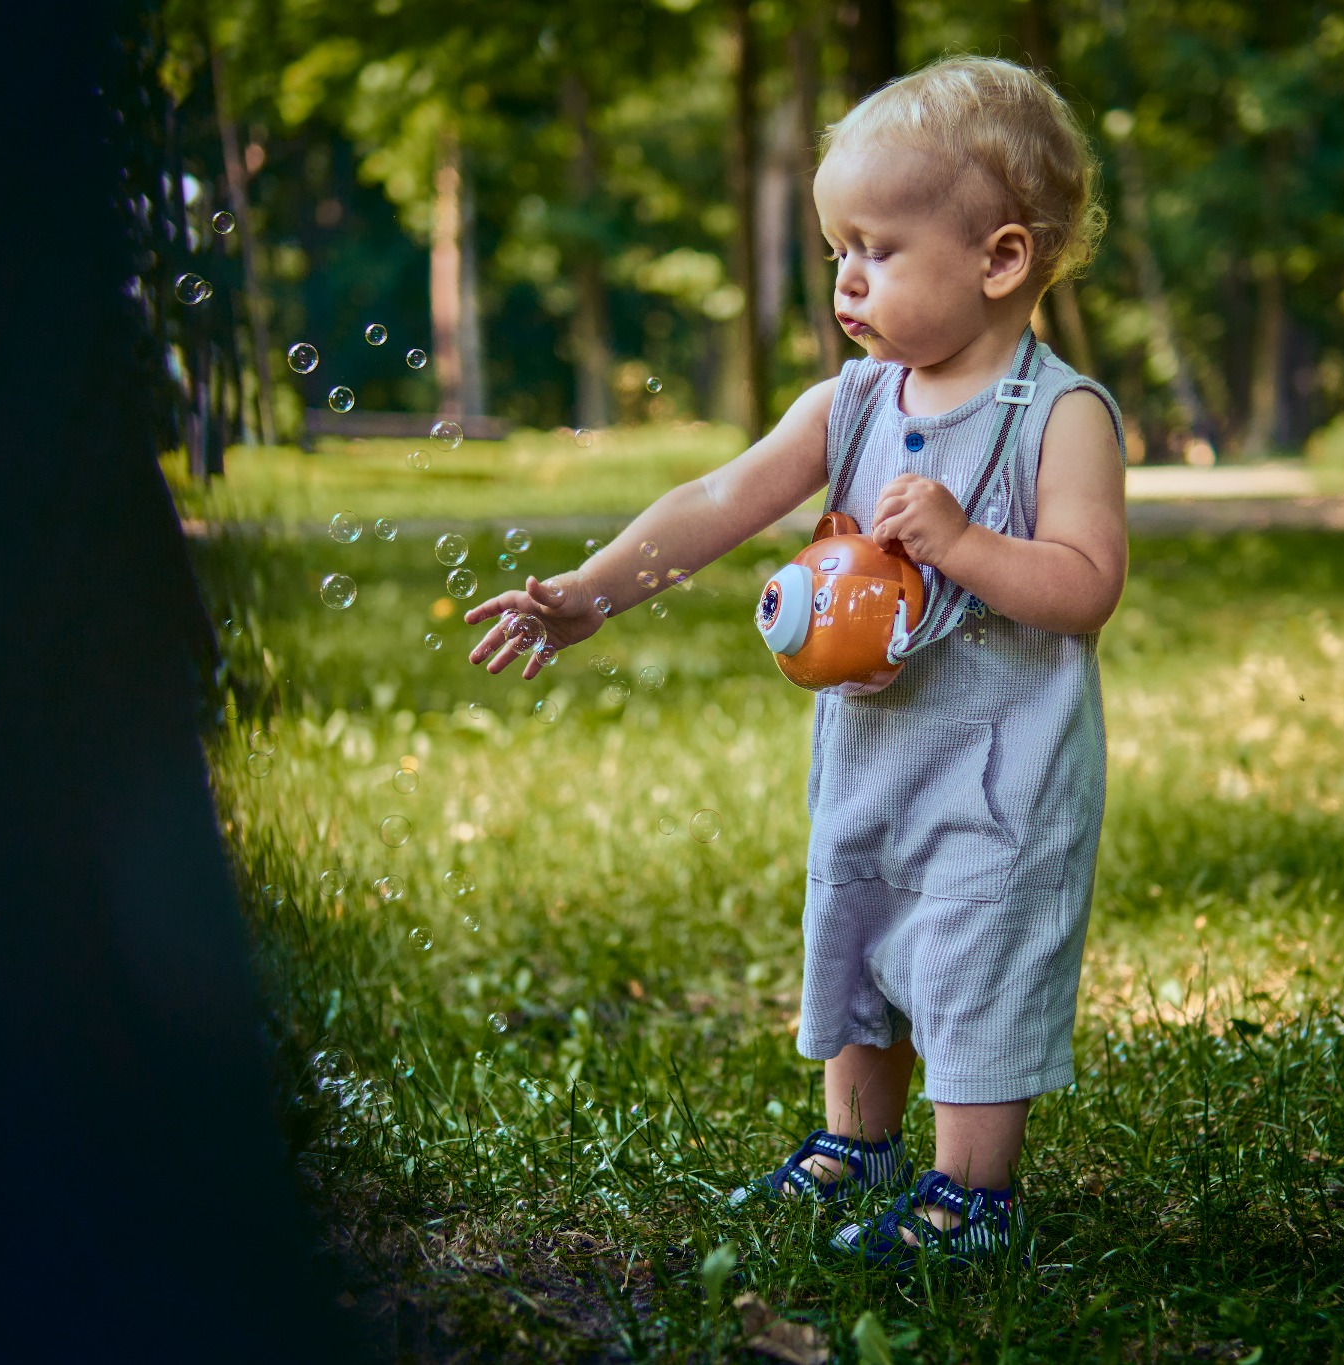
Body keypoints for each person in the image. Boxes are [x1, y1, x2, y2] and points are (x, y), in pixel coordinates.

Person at [464, 56, 1125, 1271]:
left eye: (877, 248)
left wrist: (966, 546)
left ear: (999, 260)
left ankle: (972, 1193)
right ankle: (855, 1145)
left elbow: (1087, 584)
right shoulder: (850, 404)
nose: (845, 279)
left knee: (976, 955)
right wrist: (590, 594)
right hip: (872, 754)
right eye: (835, 250)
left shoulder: (1058, 415)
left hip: (1003, 776)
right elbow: (716, 500)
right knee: (859, 928)